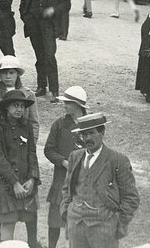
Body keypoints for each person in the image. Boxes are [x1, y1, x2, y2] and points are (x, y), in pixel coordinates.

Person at [61, 112, 140, 248]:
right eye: (84, 134)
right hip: (76, 225)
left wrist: (117, 223)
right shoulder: (75, 156)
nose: (87, 138)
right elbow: (67, 189)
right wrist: (66, 211)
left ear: (102, 133)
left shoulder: (117, 160)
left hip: (104, 228)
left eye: (92, 133)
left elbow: (131, 197)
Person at [0, 89, 40, 247]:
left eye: (22, 106)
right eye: (15, 105)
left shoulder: (26, 126)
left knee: (30, 215)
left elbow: (32, 152)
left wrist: (32, 178)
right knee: (8, 221)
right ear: (6, 107)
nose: (19, 109)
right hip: (2, 180)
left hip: (24, 178)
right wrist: (14, 183)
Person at [19, 0, 69, 97]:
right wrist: (27, 19)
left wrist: (53, 11)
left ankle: (54, 89)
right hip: (34, 26)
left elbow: (66, 3)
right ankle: (42, 86)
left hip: (49, 26)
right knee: (39, 57)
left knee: (49, 56)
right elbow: (23, 5)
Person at [44, 87, 87, 248]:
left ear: (77, 105)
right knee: (55, 220)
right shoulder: (59, 124)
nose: (65, 105)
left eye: (68, 102)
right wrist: (64, 162)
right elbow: (48, 149)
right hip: (61, 179)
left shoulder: (90, 124)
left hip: (83, 181)